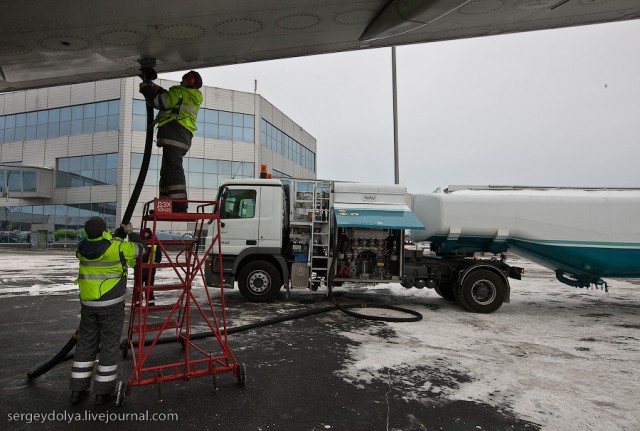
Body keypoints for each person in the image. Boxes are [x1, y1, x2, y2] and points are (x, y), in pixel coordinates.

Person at [70, 217, 147, 406]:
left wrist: (112, 237)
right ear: (104, 230)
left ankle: (77, 391)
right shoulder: (118, 248)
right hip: (111, 306)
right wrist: (129, 232)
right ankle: (102, 393)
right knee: (109, 346)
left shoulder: (81, 248)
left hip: (88, 306)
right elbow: (142, 250)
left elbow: (99, 247)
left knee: (86, 344)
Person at [139, 71, 204, 213]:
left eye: (185, 78)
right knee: (167, 170)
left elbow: (161, 101)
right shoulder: (191, 95)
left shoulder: (179, 93)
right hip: (182, 136)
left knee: (173, 170)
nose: (183, 80)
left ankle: (179, 205)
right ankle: (165, 206)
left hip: (174, 134)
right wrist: (153, 87)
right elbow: (168, 96)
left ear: (190, 80)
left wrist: (146, 89)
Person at [141, 227, 161, 306]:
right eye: (144, 233)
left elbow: (158, 255)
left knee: (149, 287)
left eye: (146, 233)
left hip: (150, 269)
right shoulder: (141, 242)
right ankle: (138, 302)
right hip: (141, 269)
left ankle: (150, 303)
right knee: (140, 287)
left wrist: (156, 264)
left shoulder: (154, 243)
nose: (145, 234)